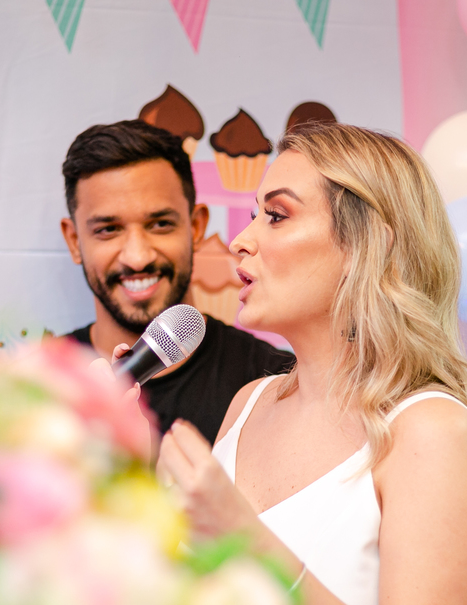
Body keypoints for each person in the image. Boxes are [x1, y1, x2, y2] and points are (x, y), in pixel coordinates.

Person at [156, 123, 467, 605]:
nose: (242, 241)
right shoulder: (248, 404)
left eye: (277, 216)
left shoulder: (430, 430)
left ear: (371, 243)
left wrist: (247, 542)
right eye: (252, 216)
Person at [59, 120, 294, 443]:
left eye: (160, 224)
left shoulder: (279, 383)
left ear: (196, 227)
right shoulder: (32, 386)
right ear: (74, 241)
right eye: (108, 230)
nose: (138, 257)